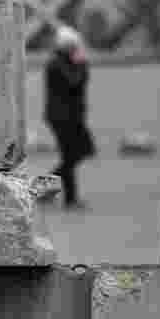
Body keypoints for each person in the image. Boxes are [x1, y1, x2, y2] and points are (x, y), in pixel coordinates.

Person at [44, 25, 96, 210]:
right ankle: (70, 199)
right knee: (71, 156)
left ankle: (45, 188)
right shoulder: (56, 63)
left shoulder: (65, 61)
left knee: (80, 152)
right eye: (74, 46)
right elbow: (74, 82)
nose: (77, 50)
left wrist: (79, 64)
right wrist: (81, 64)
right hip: (61, 118)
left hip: (72, 117)